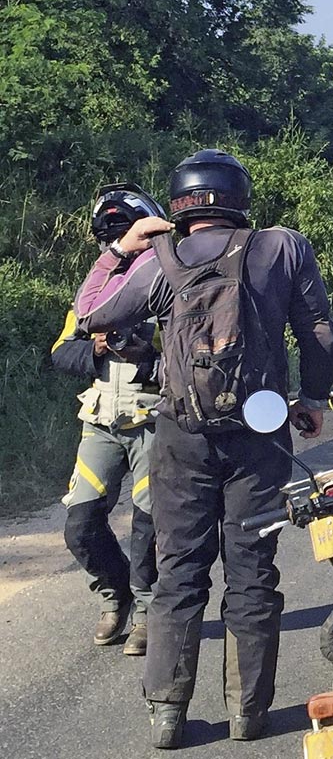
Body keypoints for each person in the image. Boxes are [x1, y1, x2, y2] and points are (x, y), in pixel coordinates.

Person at [73, 149, 333, 748]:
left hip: (179, 436)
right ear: (239, 199)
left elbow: (88, 315)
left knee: (178, 573)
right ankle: (249, 715)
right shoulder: (283, 247)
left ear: (178, 205)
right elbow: (318, 331)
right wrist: (313, 399)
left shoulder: (159, 261)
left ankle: (167, 716)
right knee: (252, 572)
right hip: (260, 431)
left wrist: (120, 250)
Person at [51, 184, 163, 656]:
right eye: (114, 241)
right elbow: (60, 351)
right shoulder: (93, 292)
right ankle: (113, 595)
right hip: (99, 420)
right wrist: (94, 349)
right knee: (79, 524)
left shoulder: (167, 282)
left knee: (148, 524)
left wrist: (147, 356)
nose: (121, 249)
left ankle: (145, 611)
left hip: (154, 423)